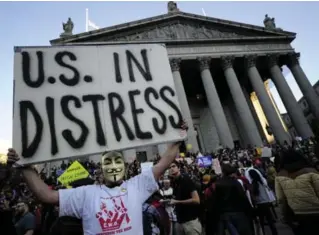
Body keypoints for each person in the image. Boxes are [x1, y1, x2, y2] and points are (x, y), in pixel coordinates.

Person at [7, 122, 188, 235]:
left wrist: (179, 137)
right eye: (108, 163)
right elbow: (46, 196)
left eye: (118, 162)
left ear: (125, 167)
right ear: (101, 169)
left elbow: (163, 163)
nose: (113, 167)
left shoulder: (136, 187)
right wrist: (24, 166)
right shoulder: (87, 193)